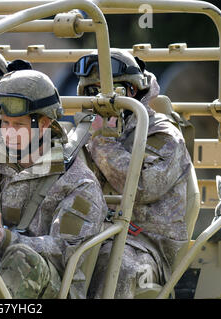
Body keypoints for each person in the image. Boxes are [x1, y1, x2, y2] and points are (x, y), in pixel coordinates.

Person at [0, 69, 107, 298]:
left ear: (45, 124)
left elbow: (67, 249)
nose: (8, 133)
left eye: (18, 125)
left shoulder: (78, 182)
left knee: (22, 259)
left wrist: (8, 241)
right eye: (4, 123)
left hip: (54, 285)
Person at [73, 49, 193, 298]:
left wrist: (102, 143)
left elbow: (141, 186)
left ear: (133, 91)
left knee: (115, 267)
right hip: (96, 233)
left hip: (149, 246)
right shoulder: (86, 130)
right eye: (93, 91)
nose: (102, 99)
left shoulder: (162, 134)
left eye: (112, 91)